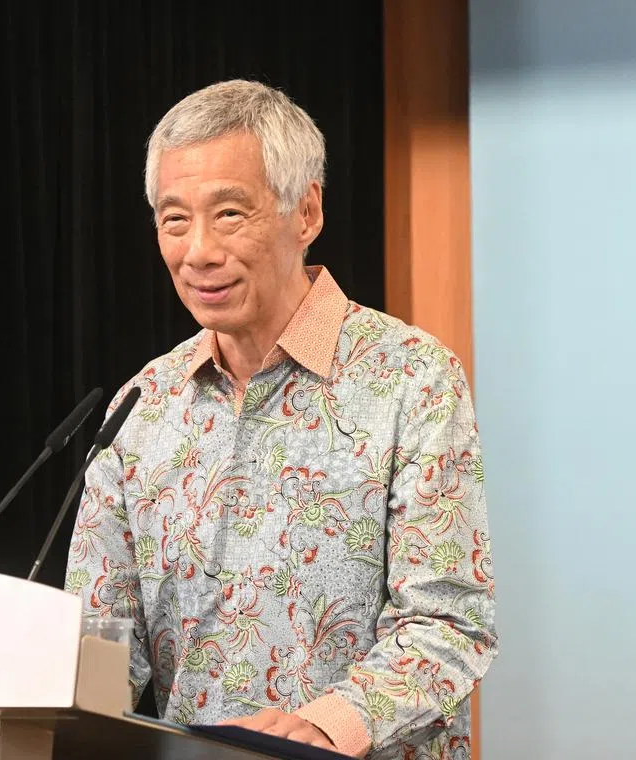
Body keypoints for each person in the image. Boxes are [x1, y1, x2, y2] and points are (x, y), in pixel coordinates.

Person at [64, 79, 497, 759]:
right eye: (174, 220)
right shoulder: (141, 407)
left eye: (230, 214)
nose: (198, 250)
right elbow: (101, 651)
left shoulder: (411, 378)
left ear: (307, 211)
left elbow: (449, 622)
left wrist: (328, 726)